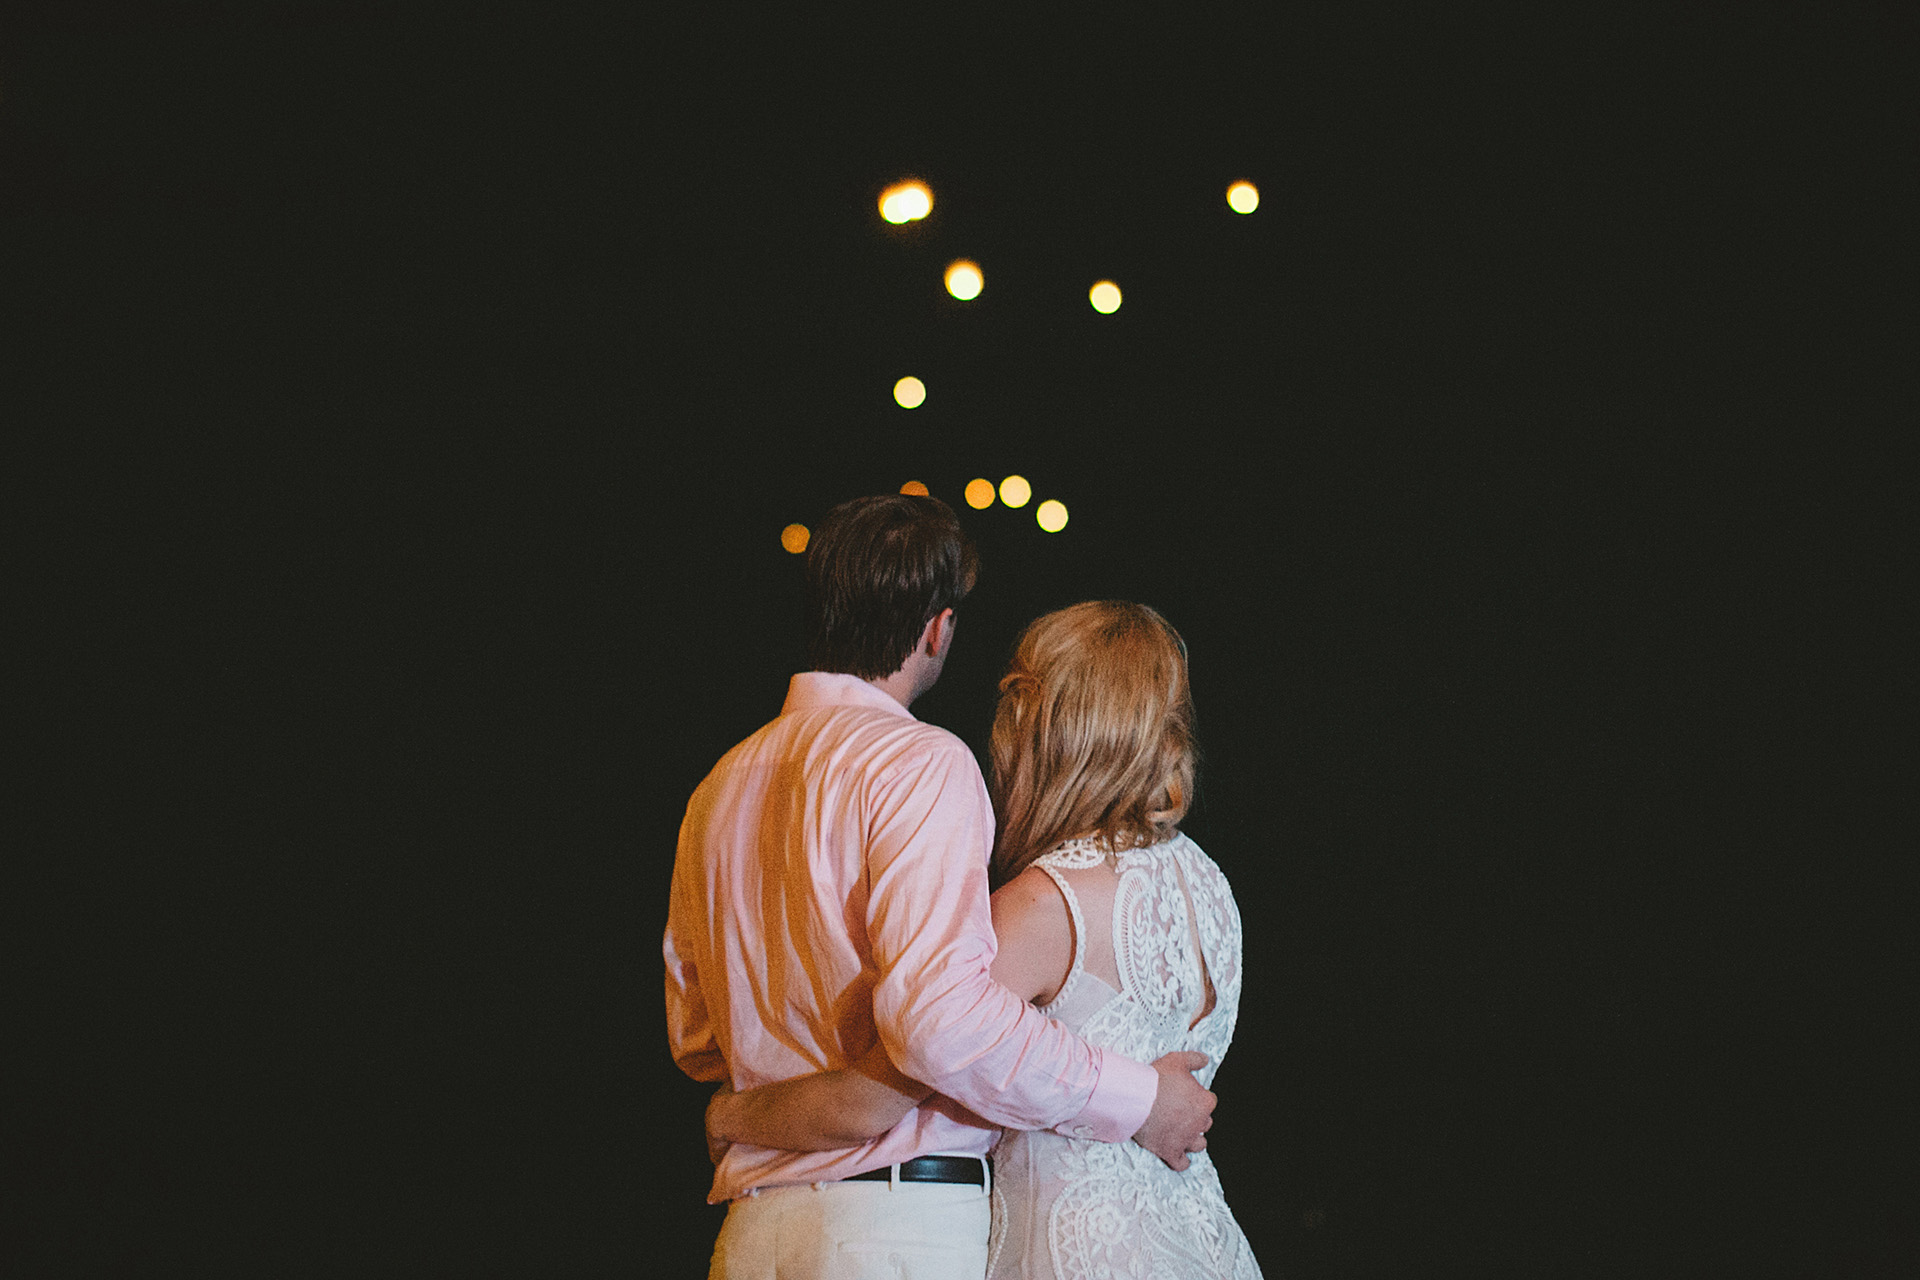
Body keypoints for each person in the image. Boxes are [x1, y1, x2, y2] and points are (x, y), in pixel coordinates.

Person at [664, 496, 1217, 1280]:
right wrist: (1139, 1099)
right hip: (891, 1229)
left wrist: (748, 1107)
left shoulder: (715, 790)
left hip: (753, 1234)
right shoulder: (921, 763)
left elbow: (695, 1039)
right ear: (936, 628)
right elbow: (942, 1021)